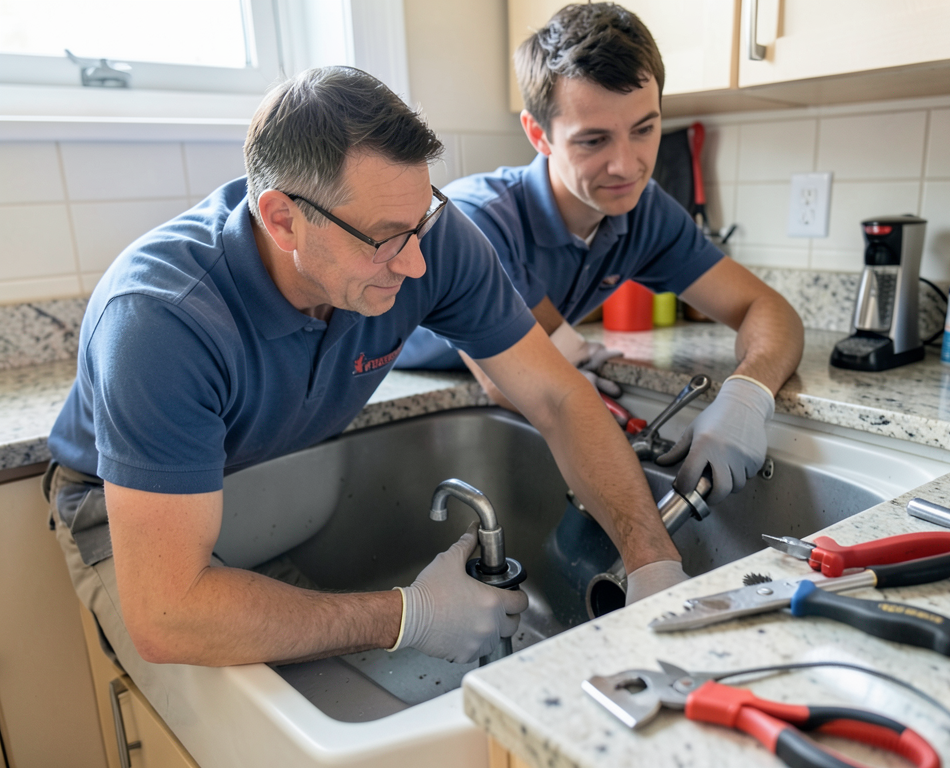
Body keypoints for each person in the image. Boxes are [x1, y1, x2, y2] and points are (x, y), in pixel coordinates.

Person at [44, 66, 687, 678]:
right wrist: (409, 616)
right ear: (282, 219)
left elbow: (556, 397)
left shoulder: (425, 238)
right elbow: (169, 615)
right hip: (132, 513)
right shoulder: (162, 320)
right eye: (383, 239)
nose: (413, 265)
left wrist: (652, 562)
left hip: (277, 484)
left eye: (420, 223)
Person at [395, 2, 804, 507]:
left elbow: (770, 311)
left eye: (645, 129)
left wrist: (748, 394)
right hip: (402, 373)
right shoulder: (479, 218)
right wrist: (568, 359)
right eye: (594, 140)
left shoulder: (645, 212)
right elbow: (509, 381)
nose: (628, 165)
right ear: (538, 134)